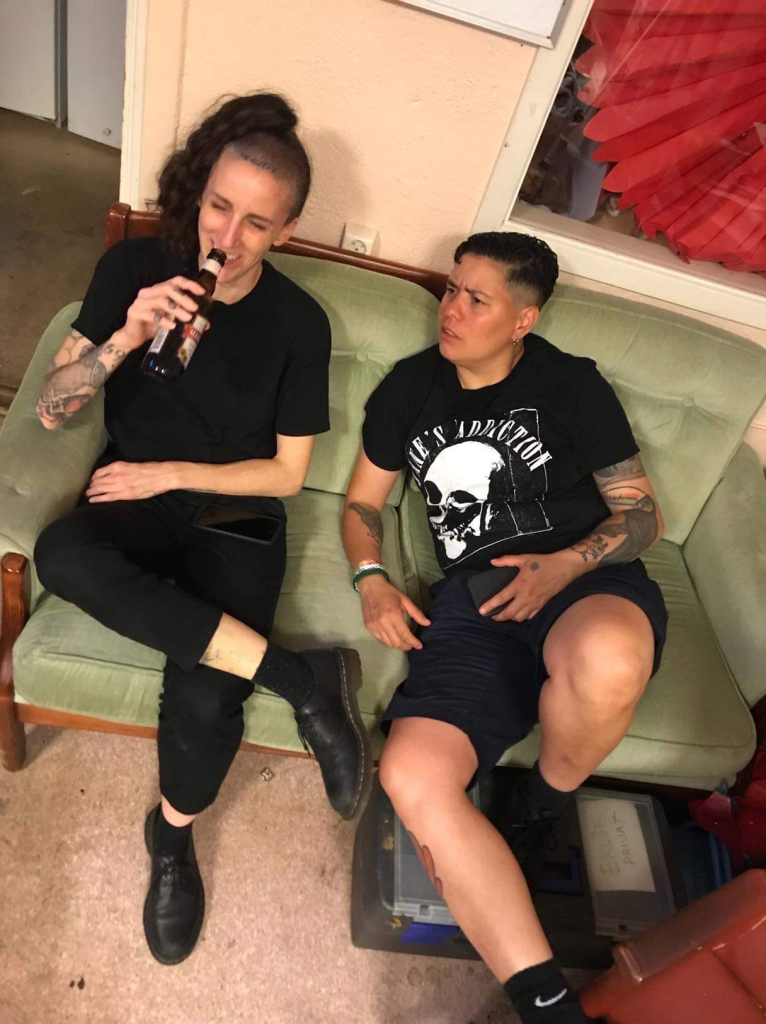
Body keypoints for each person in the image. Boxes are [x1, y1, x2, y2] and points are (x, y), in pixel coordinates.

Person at [33, 93, 371, 966]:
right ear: (200, 196)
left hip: (234, 508)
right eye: (220, 207)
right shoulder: (136, 266)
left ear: (286, 230)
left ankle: (172, 838)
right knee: (62, 553)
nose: (229, 235)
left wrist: (171, 473)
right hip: (133, 492)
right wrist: (125, 334)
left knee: (208, 688)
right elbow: (51, 409)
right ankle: (299, 678)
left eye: (257, 222)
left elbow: (287, 475)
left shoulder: (299, 322)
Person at [342, 232, 667, 1024]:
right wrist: (371, 578)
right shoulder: (411, 386)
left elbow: (642, 514)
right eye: (451, 290)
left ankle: (539, 803)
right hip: (474, 602)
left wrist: (564, 565)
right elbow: (361, 503)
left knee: (608, 661)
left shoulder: (570, 385)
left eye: (476, 299)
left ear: (524, 318)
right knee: (411, 776)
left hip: (581, 579)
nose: (450, 310)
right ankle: (547, 1003)